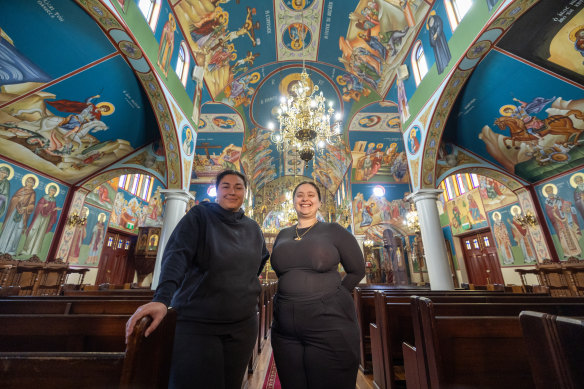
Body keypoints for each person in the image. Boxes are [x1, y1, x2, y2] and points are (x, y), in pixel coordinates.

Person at [125, 169, 269, 389]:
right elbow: (176, 256)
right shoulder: (199, 216)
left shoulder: (253, 228)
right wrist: (162, 299)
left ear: (245, 193)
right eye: (226, 186)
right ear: (217, 191)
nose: (232, 191)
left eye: (238, 187)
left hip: (243, 325)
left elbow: (258, 262)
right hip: (199, 324)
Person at [270, 181, 365, 389]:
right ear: (293, 201)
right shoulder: (283, 234)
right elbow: (282, 271)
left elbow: (357, 270)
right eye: (300, 195)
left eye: (311, 195)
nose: (305, 199)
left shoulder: (334, 230)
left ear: (320, 202)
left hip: (327, 324)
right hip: (285, 329)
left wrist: (333, 296)